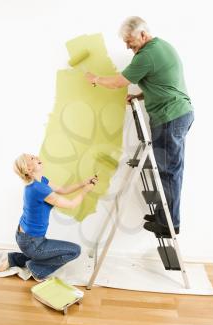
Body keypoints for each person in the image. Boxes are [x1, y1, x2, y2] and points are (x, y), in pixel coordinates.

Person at [85, 16, 194, 238]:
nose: (127, 46)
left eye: (130, 41)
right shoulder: (160, 48)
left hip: (170, 117)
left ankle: (169, 223)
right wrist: (141, 95)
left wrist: (95, 78)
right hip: (177, 114)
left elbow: (118, 82)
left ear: (143, 35)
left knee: (167, 171)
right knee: (169, 169)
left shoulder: (147, 55)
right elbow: (163, 84)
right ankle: (167, 217)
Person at [0, 153, 98, 281]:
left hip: (25, 237)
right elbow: (71, 204)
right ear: (28, 169)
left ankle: (14, 259)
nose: (36, 157)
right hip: (32, 242)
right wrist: (87, 190)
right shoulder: (38, 189)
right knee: (75, 251)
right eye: (32, 158)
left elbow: (63, 190)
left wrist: (84, 183)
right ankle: (36, 269)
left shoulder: (40, 181)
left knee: (49, 252)